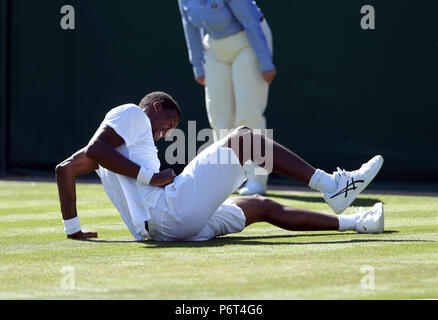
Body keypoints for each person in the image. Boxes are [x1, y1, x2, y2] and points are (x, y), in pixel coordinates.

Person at [55, 92, 385, 241]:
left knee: (261, 206)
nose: (166, 132)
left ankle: (357, 223)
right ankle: (332, 185)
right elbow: (99, 148)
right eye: (167, 122)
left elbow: (65, 170)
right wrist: (151, 176)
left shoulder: (115, 147)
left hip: (167, 229)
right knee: (245, 139)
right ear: (155, 108)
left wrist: (73, 230)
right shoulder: (130, 114)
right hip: (169, 212)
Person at [178, 0, 276, 196]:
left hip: (249, 42)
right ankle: (224, 180)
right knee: (219, 117)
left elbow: (250, 20)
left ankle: (257, 179)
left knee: (248, 116)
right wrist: (197, 64)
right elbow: (189, 25)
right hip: (214, 48)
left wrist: (265, 61)